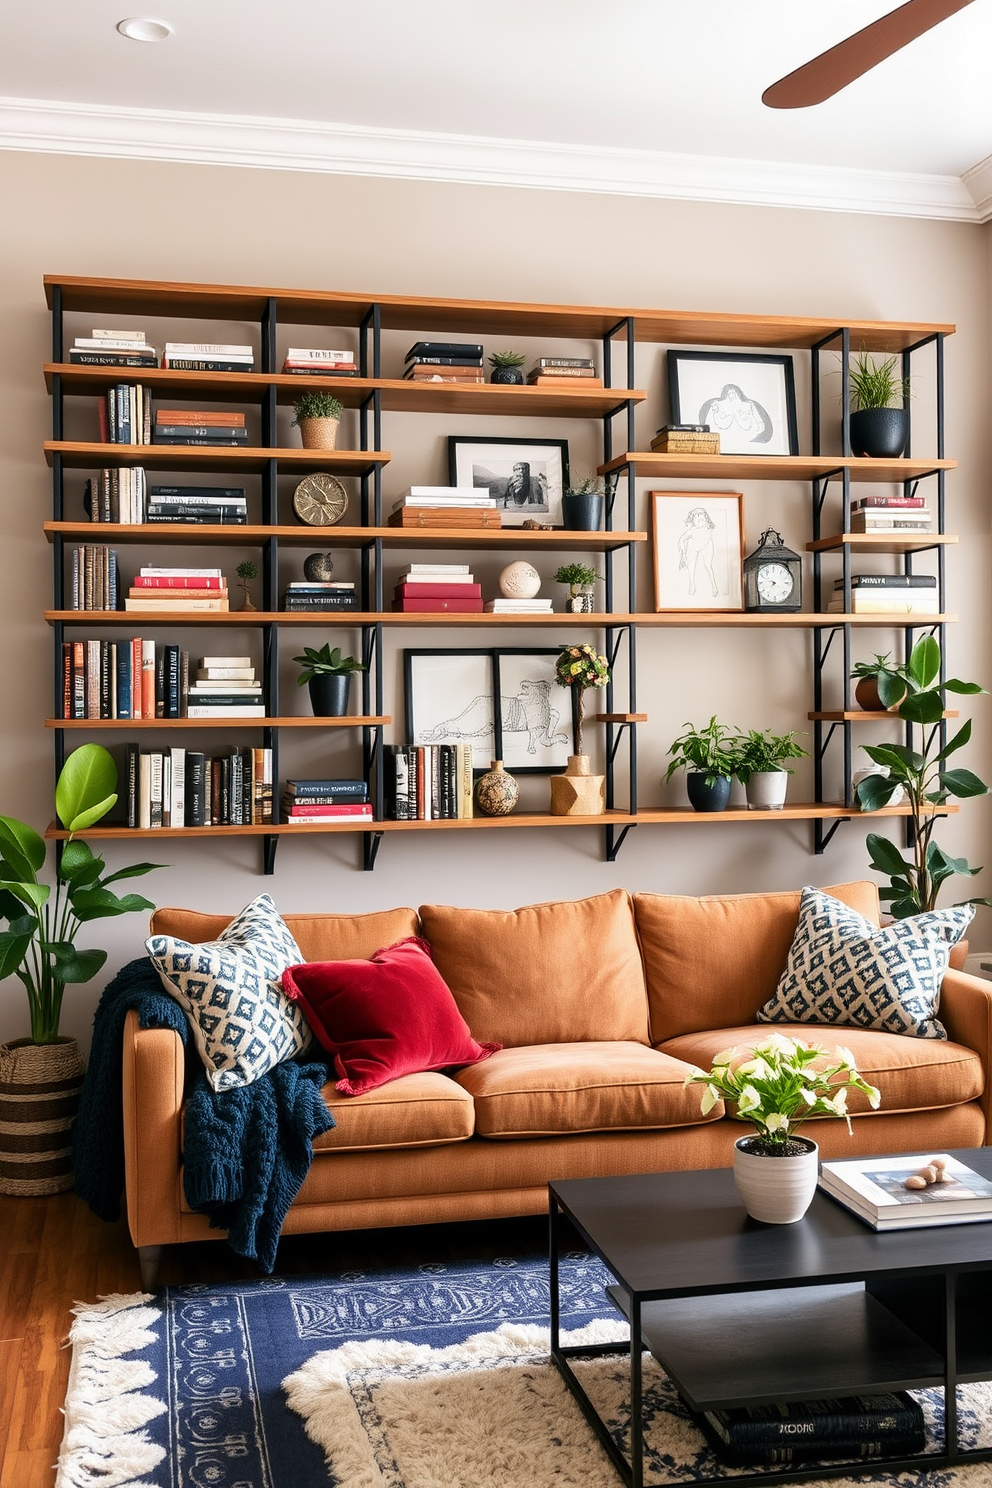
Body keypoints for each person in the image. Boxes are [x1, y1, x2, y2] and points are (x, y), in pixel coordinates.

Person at [699, 383, 773, 445]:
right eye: (730, 393)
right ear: (726, 394)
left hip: (745, 431)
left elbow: (754, 423)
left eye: (734, 393)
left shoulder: (748, 404)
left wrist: (745, 415)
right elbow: (714, 421)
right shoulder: (718, 403)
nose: (732, 395)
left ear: (738, 393)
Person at [677, 506, 718, 597]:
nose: (700, 521)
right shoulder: (691, 531)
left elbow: (709, 530)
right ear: (693, 520)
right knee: (691, 565)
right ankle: (692, 585)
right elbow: (681, 539)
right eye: (697, 519)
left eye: (702, 519)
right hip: (693, 545)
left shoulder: (708, 529)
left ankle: (714, 586)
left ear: (706, 519)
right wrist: (682, 550)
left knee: (708, 566)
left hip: (706, 544)